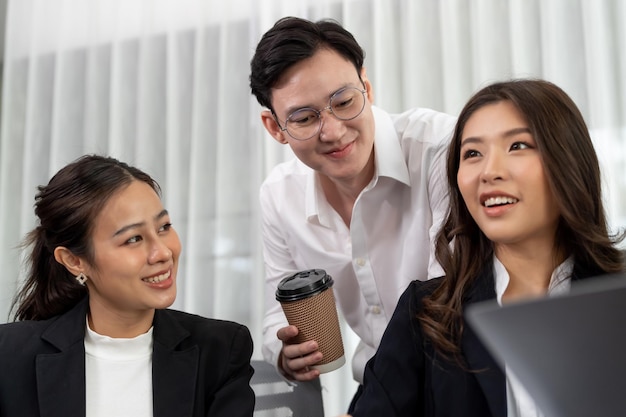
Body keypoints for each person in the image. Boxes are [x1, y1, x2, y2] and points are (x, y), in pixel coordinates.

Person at [346, 79, 625, 416]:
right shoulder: (425, 314)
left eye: (518, 146)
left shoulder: (617, 297)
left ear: (569, 161)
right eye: (473, 153)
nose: (489, 172)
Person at [249, 16, 456, 393]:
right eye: (305, 118)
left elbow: (454, 302)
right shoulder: (280, 196)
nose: (333, 131)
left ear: (367, 87)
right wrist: (286, 352)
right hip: (379, 387)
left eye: (344, 101)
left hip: (452, 378)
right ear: (275, 128)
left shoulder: (440, 149)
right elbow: (278, 312)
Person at [0, 155, 255, 417]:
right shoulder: (9, 355)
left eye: (164, 227)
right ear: (75, 261)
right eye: (133, 239)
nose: (162, 253)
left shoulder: (220, 352)